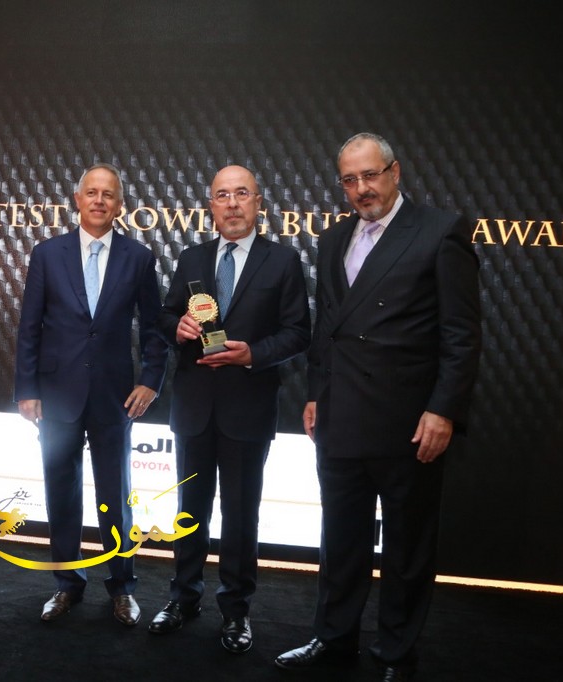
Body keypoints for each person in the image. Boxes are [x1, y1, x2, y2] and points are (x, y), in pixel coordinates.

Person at [274, 133, 481, 681]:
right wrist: (316, 393)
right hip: (340, 415)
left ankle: (396, 654)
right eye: (350, 180)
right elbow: (328, 327)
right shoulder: (333, 238)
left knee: (407, 548)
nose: (362, 188)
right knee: (341, 540)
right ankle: (334, 638)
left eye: (370, 175)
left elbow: (461, 335)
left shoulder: (440, 230)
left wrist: (443, 410)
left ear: (395, 172)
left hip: (408, 422)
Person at [147, 165, 311, 653]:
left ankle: (236, 611)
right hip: (194, 407)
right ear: (211, 206)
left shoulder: (283, 260)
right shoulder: (192, 257)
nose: (233, 203)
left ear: (258, 203)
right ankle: (183, 598)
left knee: (240, 517)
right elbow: (164, 315)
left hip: (247, 408)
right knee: (189, 512)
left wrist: (252, 353)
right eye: (223, 195)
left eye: (242, 194)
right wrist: (177, 327)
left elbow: (298, 333)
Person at [13, 162, 168, 626]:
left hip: (114, 396)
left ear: (120, 205)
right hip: (57, 394)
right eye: (92, 193)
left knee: (115, 496)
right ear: (77, 200)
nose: (100, 200)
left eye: (109, 194)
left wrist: (151, 380)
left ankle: (122, 588)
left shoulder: (138, 258)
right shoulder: (47, 254)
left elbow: (155, 329)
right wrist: (27, 389)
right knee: (61, 492)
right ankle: (66, 585)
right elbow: (29, 327)